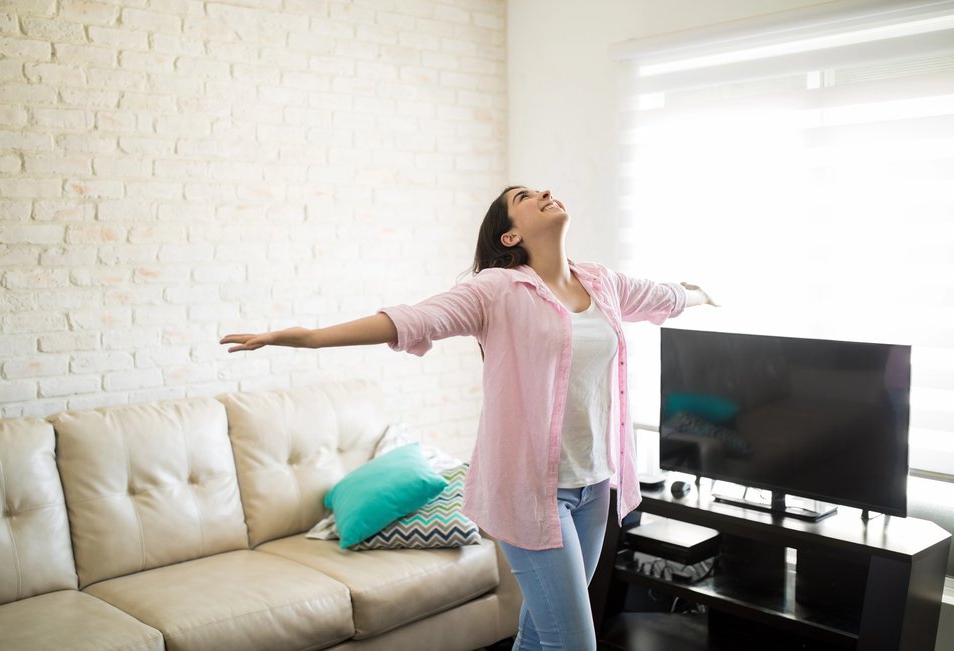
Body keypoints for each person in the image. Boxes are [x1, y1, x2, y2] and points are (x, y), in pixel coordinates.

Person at [221, 186, 716, 650]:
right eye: (525, 197)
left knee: (540, 631)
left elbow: (665, 296)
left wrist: (702, 293)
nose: (544, 193)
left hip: (594, 487)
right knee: (573, 643)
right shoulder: (496, 290)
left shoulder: (602, 283)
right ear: (510, 237)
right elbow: (413, 319)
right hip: (530, 495)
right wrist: (309, 338)